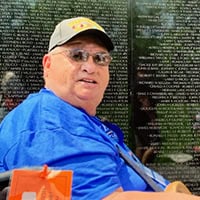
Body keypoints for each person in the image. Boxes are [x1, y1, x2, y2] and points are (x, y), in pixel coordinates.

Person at [0, 17, 199, 200]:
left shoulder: (77, 117)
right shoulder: (50, 122)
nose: (90, 66)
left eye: (100, 58)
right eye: (77, 55)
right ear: (48, 64)